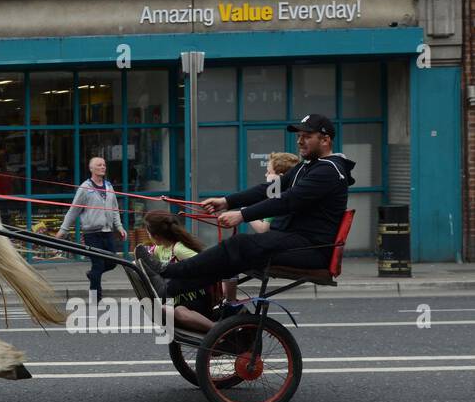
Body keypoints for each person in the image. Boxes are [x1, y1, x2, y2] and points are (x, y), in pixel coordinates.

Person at [137, 114, 354, 297]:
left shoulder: (329, 171)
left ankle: (168, 271)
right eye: (298, 137)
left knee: (238, 245)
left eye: (306, 137)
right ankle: (169, 289)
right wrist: (226, 201)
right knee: (233, 259)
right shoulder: (307, 167)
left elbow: (287, 200)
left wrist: (242, 215)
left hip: (309, 248)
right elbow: (268, 190)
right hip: (292, 241)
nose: (299, 141)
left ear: (325, 140)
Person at [222, 150, 300, 302]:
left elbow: (263, 229)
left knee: (229, 253)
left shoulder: (277, 197)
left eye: (268, 172)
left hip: (277, 249)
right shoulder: (286, 195)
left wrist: (243, 213)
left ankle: (230, 301)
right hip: (282, 244)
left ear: (280, 177)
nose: (266, 176)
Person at [58, 156, 127, 301]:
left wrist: (119, 227)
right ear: (91, 169)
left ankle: (92, 275)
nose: (103, 167)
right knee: (98, 264)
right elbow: (73, 211)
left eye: (104, 165)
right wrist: (63, 230)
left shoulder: (109, 186)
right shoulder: (85, 188)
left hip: (107, 232)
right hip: (92, 233)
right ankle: (95, 297)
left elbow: (114, 209)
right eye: (99, 165)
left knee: (112, 262)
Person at [136, 210, 215, 333]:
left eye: (148, 234)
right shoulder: (159, 249)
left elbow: (206, 265)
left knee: (178, 311)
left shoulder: (179, 249)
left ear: (156, 236)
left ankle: (217, 330)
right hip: (177, 297)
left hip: (196, 298)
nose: (149, 237)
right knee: (161, 309)